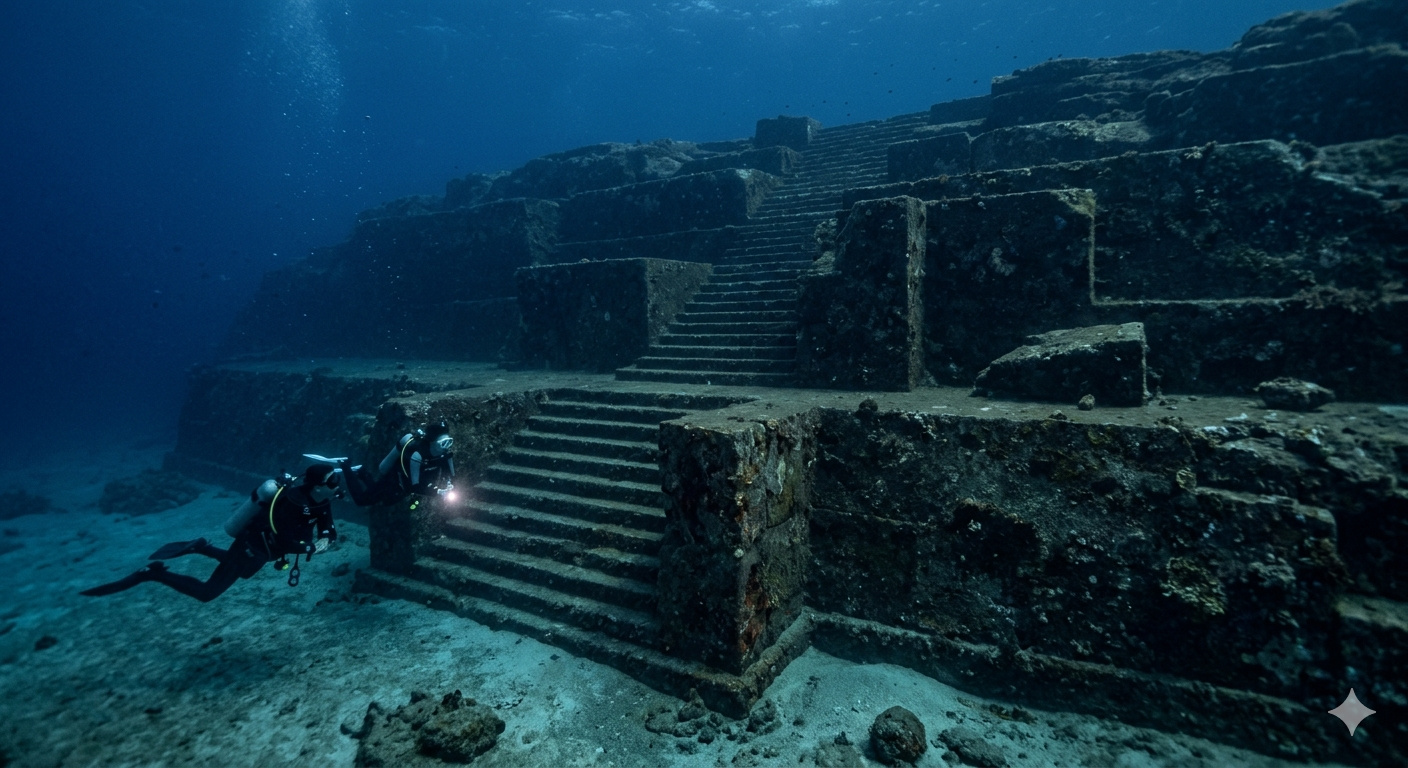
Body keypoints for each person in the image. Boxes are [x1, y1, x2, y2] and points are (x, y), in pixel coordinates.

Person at [80, 464, 340, 602]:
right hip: (254, 544)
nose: (335, 485)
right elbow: (284, 537)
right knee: (207, 593)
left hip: (265, 551)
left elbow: (328, 527)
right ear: (317, 485)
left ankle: (201, 546)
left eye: (335, 481)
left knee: (246, 571)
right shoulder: (294, 502)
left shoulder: (322, 500)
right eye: (331, 481)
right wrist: (309, 548)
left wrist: (327, 537)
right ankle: (153, 574)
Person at [339, 420, 456, 507]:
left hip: (406, 488)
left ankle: (364, 475)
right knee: (361, 501)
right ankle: (346, 468)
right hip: (393, 482)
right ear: (432, 442)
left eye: (449, 442)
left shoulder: (444, 455)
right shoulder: (417, 455)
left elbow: (451, 475)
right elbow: (414, 486)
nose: (447, 447)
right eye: (444, 443)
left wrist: (449, 484)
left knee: (387, 502)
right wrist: (439, 492)